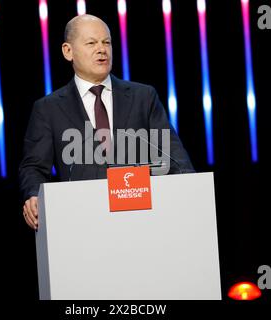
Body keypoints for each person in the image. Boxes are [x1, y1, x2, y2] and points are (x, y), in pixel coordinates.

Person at [19, 14, 194, 230]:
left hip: (142, 218)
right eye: (91, 43)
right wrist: (34, 195)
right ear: (68, 51)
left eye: (106, 42)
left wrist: (190, 192)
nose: (102, 49)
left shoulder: (143, 97)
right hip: (83, 222)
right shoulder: (48, 108)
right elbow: (34, 166)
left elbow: (173, 157)